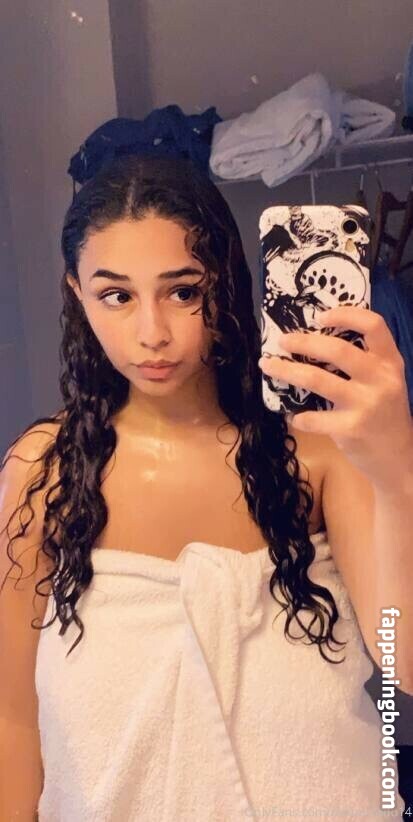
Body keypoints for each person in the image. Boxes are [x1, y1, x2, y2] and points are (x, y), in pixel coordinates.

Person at [0, 154, 407, 821]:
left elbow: (405, 660)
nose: (152, 334)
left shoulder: (315, 453)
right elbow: (13, 716)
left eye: (183, 292)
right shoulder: (46, 472)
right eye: (117, 296)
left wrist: (398, 466)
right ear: (77, 293)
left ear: (224, 281)